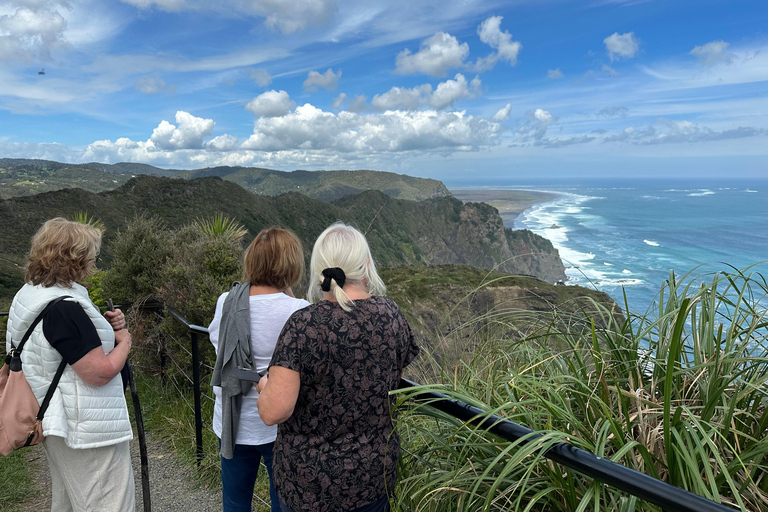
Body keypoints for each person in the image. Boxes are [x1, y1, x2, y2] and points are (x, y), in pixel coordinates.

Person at [256, 222, 420, 512]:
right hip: (373, 477)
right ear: (367, 266)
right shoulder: (391, 316)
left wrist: (264, 386)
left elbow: (273, 411)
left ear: (319, 271)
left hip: (309, 486)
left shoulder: (303, 325)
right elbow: (393, 385)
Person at [5, 217, 134, 512]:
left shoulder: (31, 293)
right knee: (107, 503)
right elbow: (98, 372)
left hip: (57, 418)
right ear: (76, 259)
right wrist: (125, 340)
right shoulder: (64, 309)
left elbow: (62, 347)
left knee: (69, 500)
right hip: (85, 429)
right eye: (92, 256)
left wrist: (107, 327)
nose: (94, 263)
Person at [209, 228, 309, 512]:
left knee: (235, 501)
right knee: (284, 502)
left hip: (233, 420)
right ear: (291, 263)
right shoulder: (299, 310)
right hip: (281, 425)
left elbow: (219, 346)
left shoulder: (227, 301)